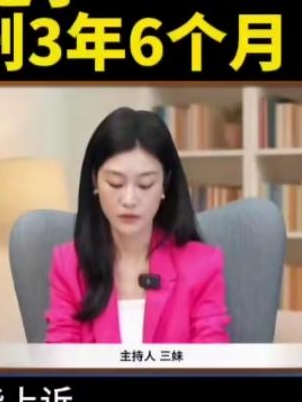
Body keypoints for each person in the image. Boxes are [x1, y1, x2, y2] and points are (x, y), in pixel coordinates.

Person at [45, 107, 231, 343]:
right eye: (115, 183)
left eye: (145, 185)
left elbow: (211, 354)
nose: (129, 200)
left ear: (165, 185)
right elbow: (61, 355)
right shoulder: (69, 265)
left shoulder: (202, 265)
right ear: (94, 181)